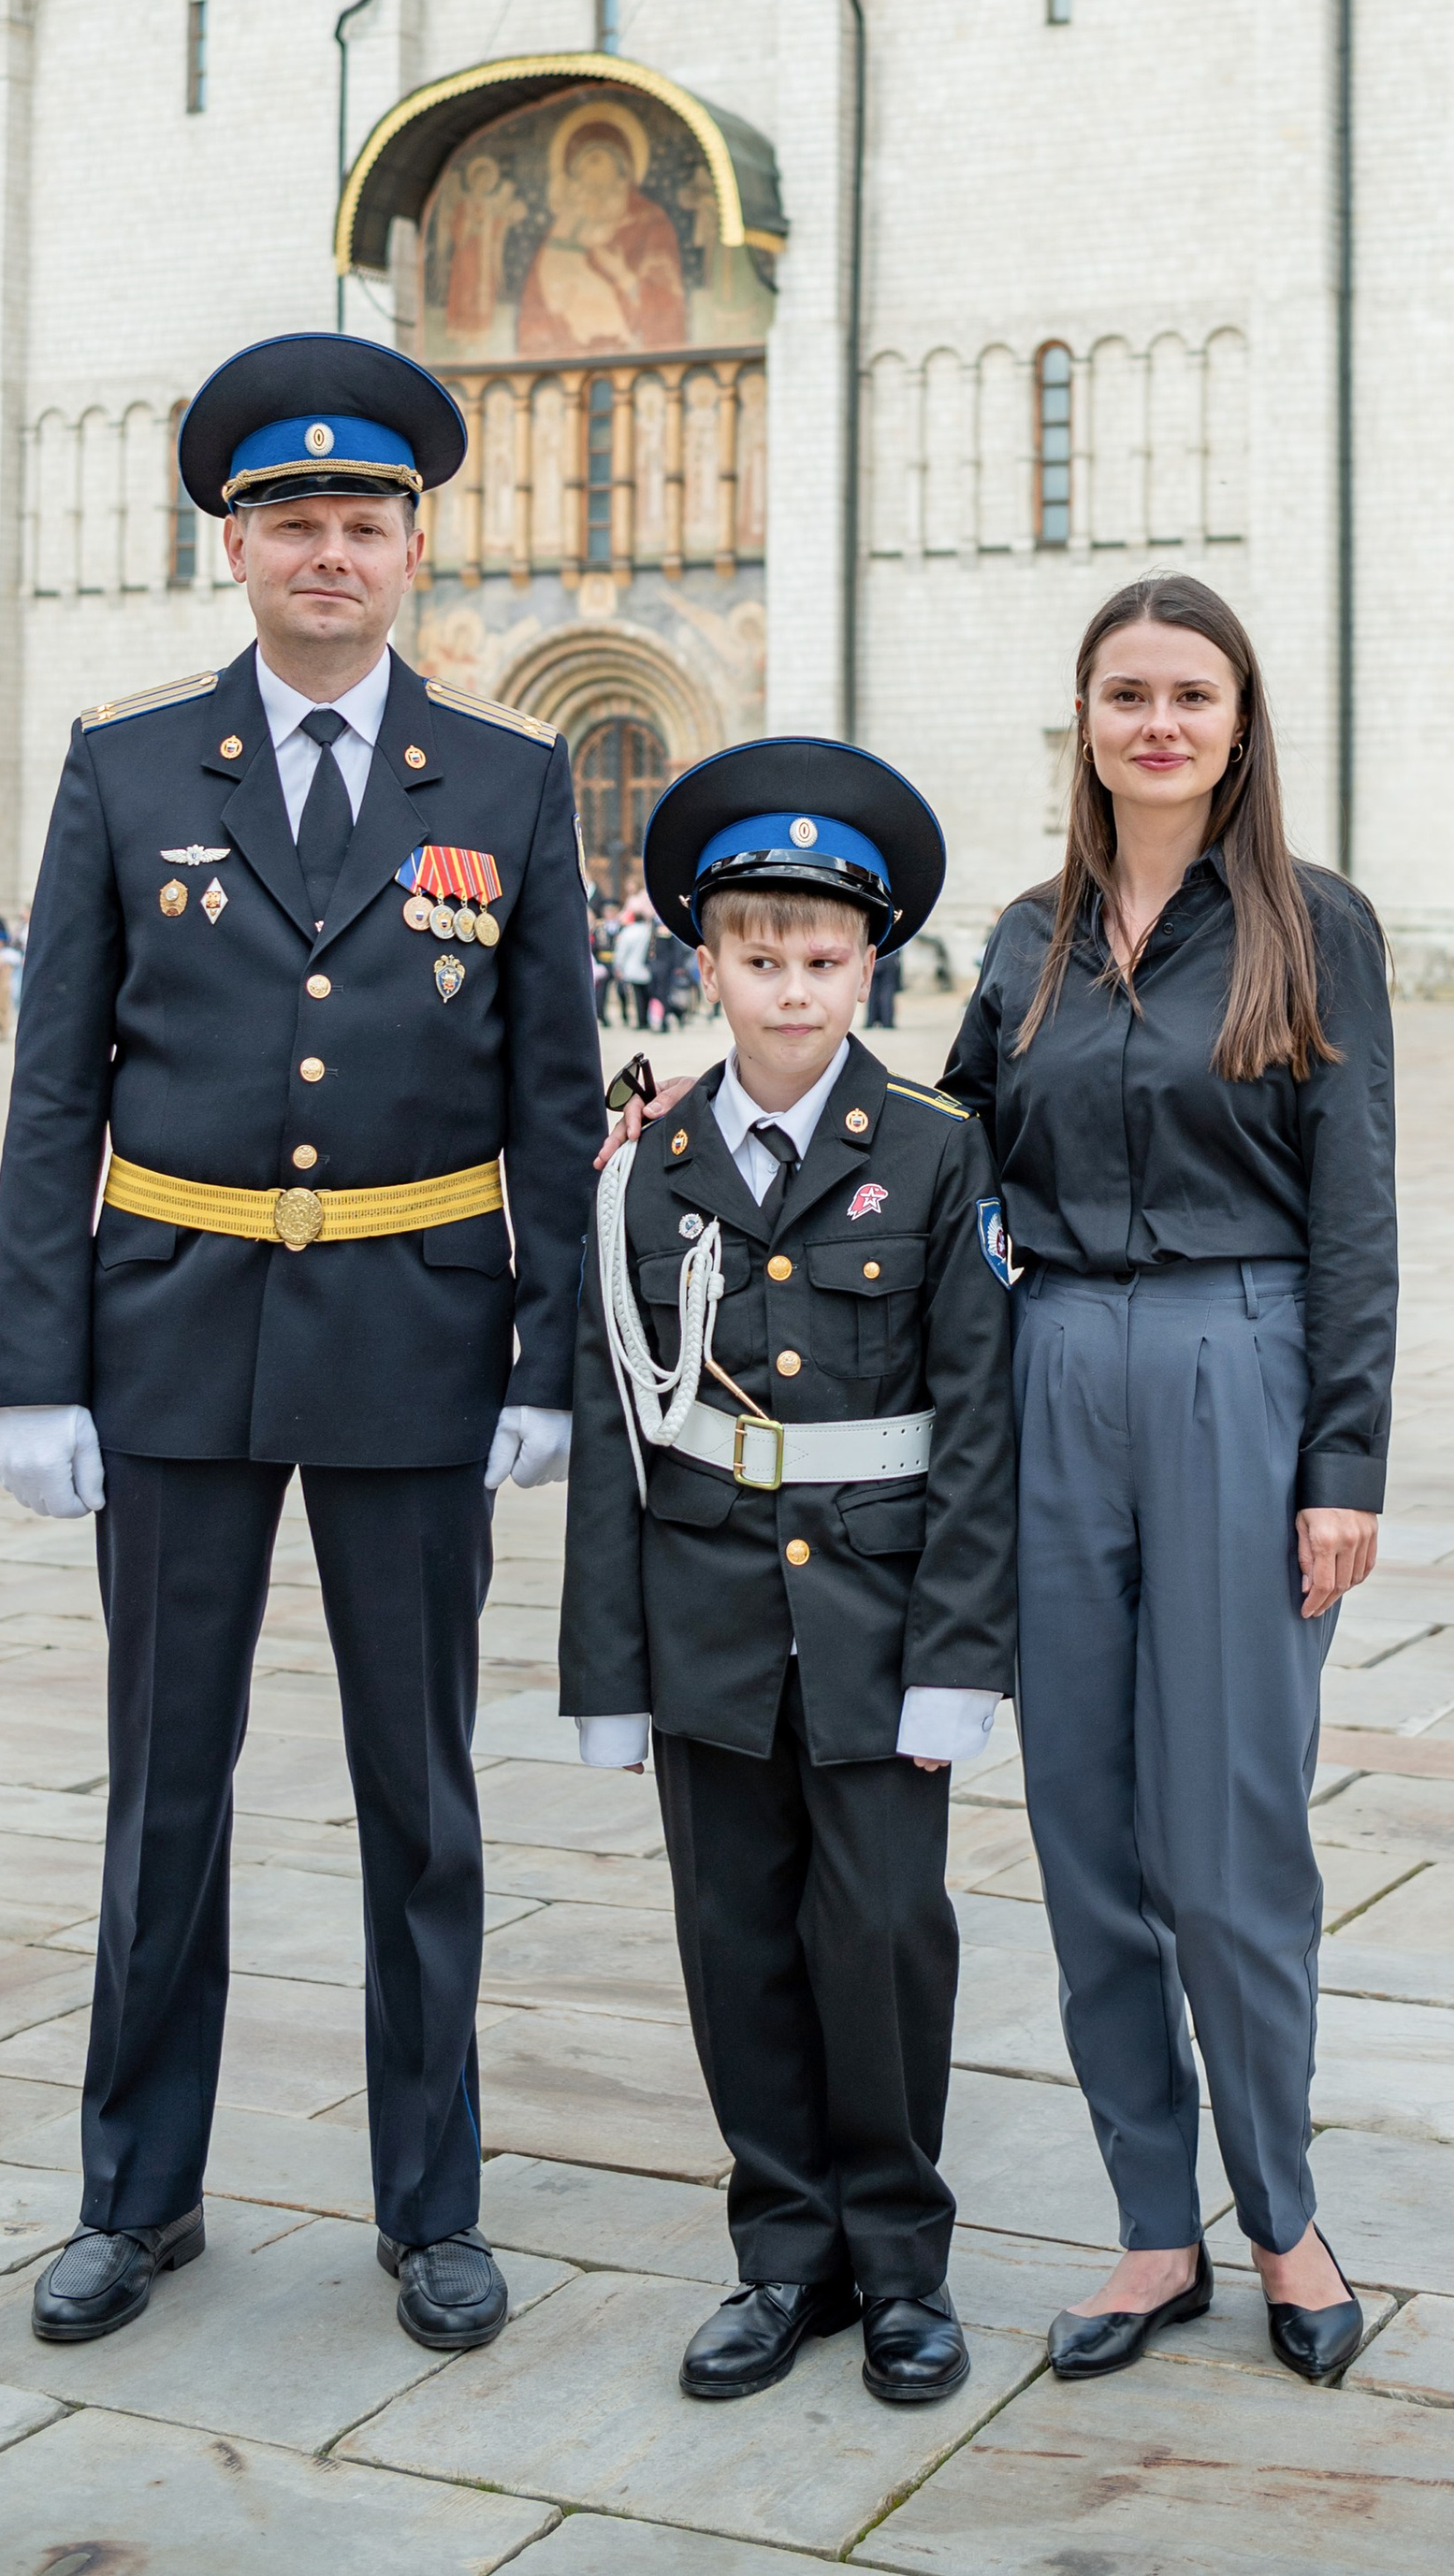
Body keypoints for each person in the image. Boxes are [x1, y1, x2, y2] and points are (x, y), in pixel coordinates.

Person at [0, 330, 601, 2361]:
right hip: (170, 1341)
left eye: (363, 520)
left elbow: (553, 1105)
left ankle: (431, 2205)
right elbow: (56, 1088)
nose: (327, 551)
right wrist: (34, 1361)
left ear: (416, 546)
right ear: (231, 546)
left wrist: (544, 1362)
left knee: (417, 1792)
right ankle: (131, 2194)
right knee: (167, 1786)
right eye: (289, 522)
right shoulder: (127, 764)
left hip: (418, 1344)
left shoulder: (505, 780)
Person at [941, 572, 1394, 2388]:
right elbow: (942, 1153)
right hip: (1054, 1374)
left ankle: (1280, 2214)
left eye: (1186, 692)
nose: (1153, 720)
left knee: (1229, 1844)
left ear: (1234, 718)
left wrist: (1341, 1458)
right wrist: (733, 1105)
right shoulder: (1023, 934)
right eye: (1123, 691)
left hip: (1237, 1366)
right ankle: (1152, 2227)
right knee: (1085, 1840)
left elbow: (1353, 1207)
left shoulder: (1309, 928)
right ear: (1084, 719)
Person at [561, 740, 1016, 2413]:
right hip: (708, 1623)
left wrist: (965, 1656)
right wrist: (607, 1672)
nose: (794, 984)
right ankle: (781, 2250)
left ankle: (900, 2263)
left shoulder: (937, 1148)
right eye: (760, 953)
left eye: (826, 956)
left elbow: (980, 1429)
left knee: (884, 1934)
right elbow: (622, 1431)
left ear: (870, 963)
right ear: (708, 961)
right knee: (735, 1936)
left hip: (882, 1622)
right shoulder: (646, 1162)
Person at [611, 899, 654, 1027]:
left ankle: (640, 1021)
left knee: (637, 997)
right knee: (646, 996)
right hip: (646, 969)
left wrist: (618, 965)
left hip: (631, 968)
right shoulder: (648, 931)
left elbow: (621, 951)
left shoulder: (628, 932)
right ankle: (645, 1019)